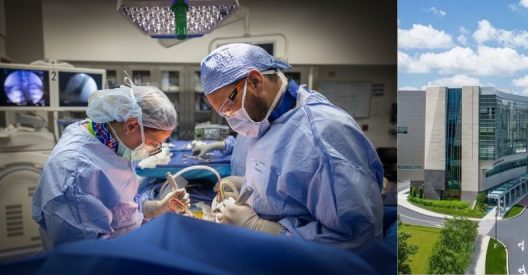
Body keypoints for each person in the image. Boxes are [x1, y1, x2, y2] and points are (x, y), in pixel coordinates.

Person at [200, 43, 383, 249]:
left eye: (228, 107)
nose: (230, 118)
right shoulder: (263, 119)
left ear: (255, 81)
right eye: (223, 113)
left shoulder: (324, 136)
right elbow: (287, 187)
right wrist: (248, 188)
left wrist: (262, 229)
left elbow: (358, 241)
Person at [32, 82, 188, 249]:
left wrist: (157, 207)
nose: (154, 150)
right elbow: (88, 256)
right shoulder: (76, 173)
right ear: (131, 126)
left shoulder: (112, 139)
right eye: (154, 143)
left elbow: (122, 205)